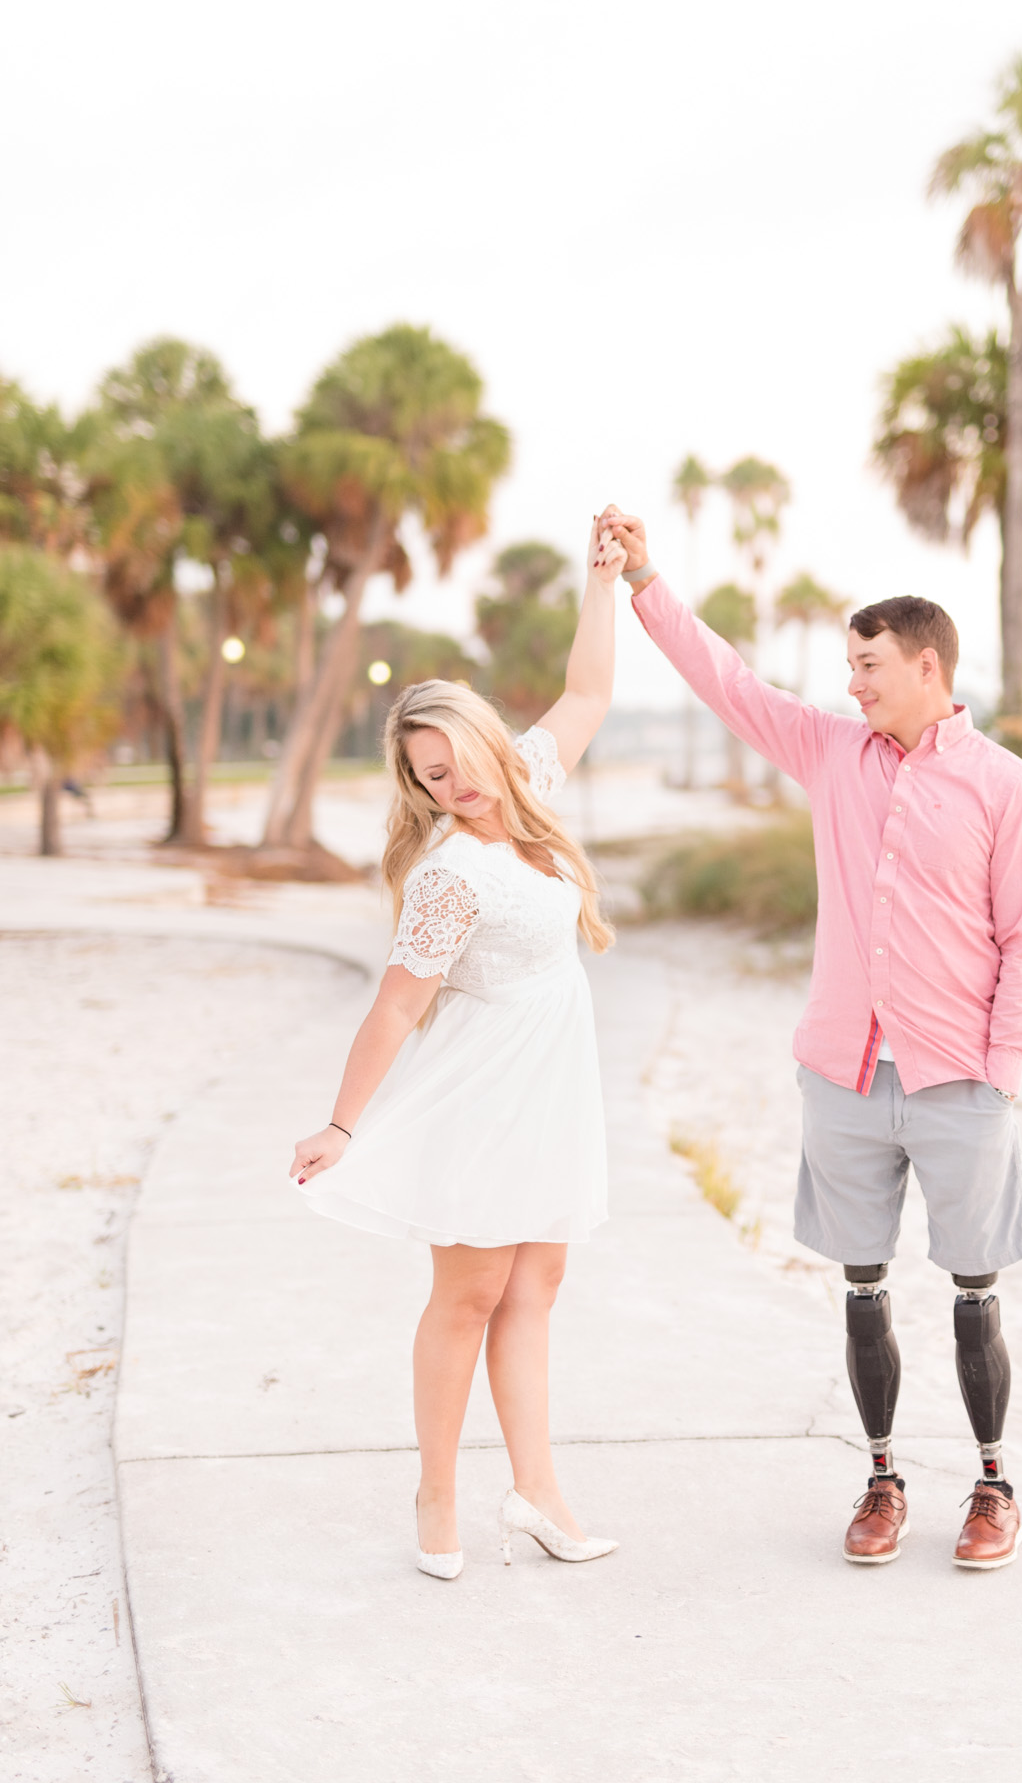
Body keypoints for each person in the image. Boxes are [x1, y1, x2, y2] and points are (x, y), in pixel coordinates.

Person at [600, 507, 1022, 1572]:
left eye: (868, 664)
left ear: (926, 664)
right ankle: (882, 1474)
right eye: (849, 665)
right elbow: (730, 683)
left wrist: (1002, 1072)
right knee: (860, 1285)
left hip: (959, 1082)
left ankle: (991, 1482)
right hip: (843, 1075)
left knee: (973, 1286)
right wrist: (647, 580)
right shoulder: (828, 751)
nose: (851, 683)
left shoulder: (1004, 786)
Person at [290, 516, 628, 1581]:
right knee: (471, 1291)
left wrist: (600, 579)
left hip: (553, 1083)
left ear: (487, 739)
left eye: (456, 761)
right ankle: (436, 1487)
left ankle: (535, 1488)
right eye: (430, 777)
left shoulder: (525, 787)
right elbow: (393, 1007)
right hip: (484, 1091)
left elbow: (585, 693)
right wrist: (342, 1122)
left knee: (538, 1285)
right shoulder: (447, 875)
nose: (453, 784)